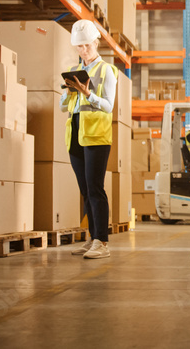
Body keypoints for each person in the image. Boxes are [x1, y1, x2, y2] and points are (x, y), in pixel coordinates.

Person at [61, 19, 117, 260]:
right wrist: (66, 93)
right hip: (76, 135)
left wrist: (88, 94)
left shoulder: (107, 70)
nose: (83, 50)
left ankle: (102, 241)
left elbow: (108, 106)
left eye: (87, 45)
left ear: (96, 42)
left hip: (96, 137)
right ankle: (92, 237)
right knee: (85, 190)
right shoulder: (76, 71)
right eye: (79, 46)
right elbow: (67, 107)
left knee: (95, 189)